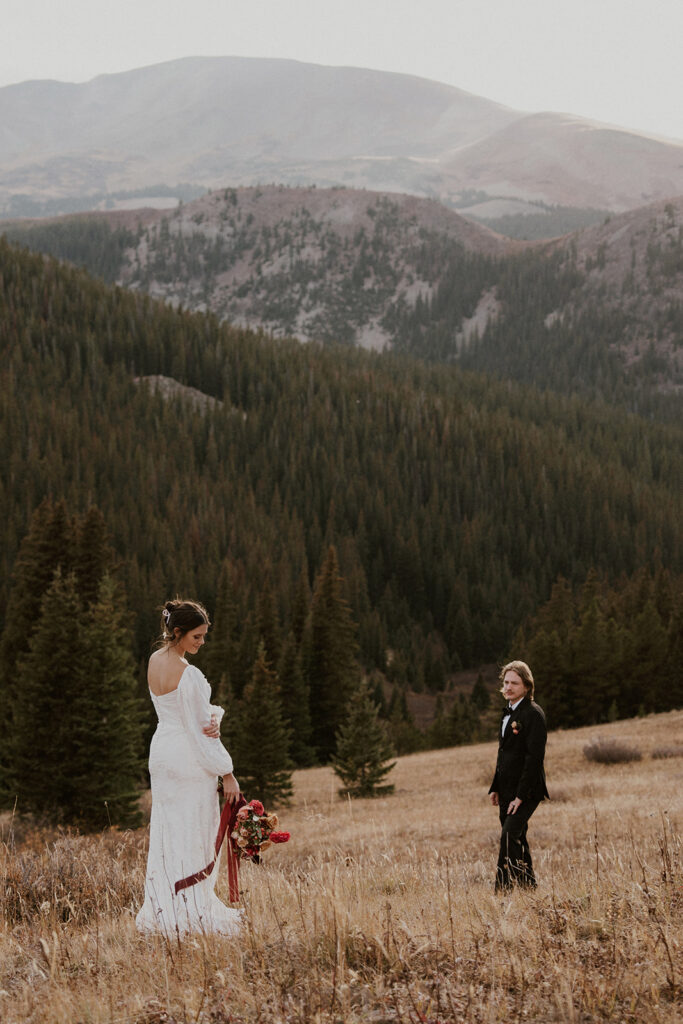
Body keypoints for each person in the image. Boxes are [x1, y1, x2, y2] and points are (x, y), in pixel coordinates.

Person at [136, 598, 242, 936]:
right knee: (195, 830)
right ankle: (192, 909)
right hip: (187, 757)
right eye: (196, 637)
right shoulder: (189, 674)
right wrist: (227, 772)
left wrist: (213, 717)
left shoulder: (155, 660)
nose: (201, 642)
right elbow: (200, 733)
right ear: (178, 633)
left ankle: (164, 907)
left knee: (168, 831)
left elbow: (187, 714)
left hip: (162, 752)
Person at [488, 660, 549, 892]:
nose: (509, 687)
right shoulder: (507, 712)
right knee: (517, 839)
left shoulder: (533, 714)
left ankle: (501, 891)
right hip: (506, 789)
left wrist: (520, 796)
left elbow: (534, 759)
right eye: (506, 682)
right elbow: (503, 754)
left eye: (514, 683)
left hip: (527, 790)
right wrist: (496, 786)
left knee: (508, 837)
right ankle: (529, 888)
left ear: (526, 685)